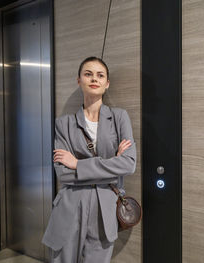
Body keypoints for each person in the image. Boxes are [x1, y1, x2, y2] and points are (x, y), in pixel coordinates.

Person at [42, 56, 137, 263]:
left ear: (107, 83)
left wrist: (77, 164)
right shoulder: (64, 123)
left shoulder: (119, 117)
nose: (94, 78)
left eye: (100, 75)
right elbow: (63, 173)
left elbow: (129, 164)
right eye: (88, 74)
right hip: (70, 206)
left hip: (105, 207)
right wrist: (112, 163)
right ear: (79, 81)